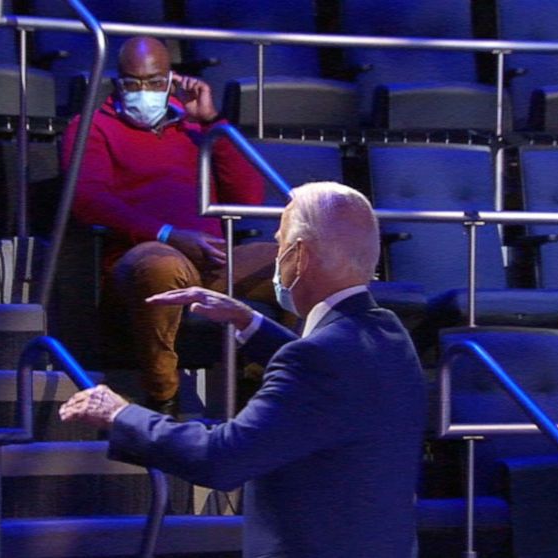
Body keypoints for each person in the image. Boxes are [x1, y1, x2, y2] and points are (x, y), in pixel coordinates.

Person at [60, 182, 426, 557]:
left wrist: (120, 414)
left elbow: (221, 459)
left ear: (299, 256)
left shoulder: (318, 361)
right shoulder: (389, 333)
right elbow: (330, 378)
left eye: (281, 243)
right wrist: (247, 321)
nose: (278, 255)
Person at [61, 35, 276, 415]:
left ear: (172, 80)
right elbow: (87, 200)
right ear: (117, 83)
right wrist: (168, 235)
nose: (145, 92)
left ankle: (276, 384)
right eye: (134, 83)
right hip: (141, 255)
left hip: (212, 260)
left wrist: (212, 121)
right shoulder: (91, 126)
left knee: (298, 258)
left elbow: (249, 196)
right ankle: (164, 399)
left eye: (155, 82)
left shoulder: (196, 128)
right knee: (163, 265)